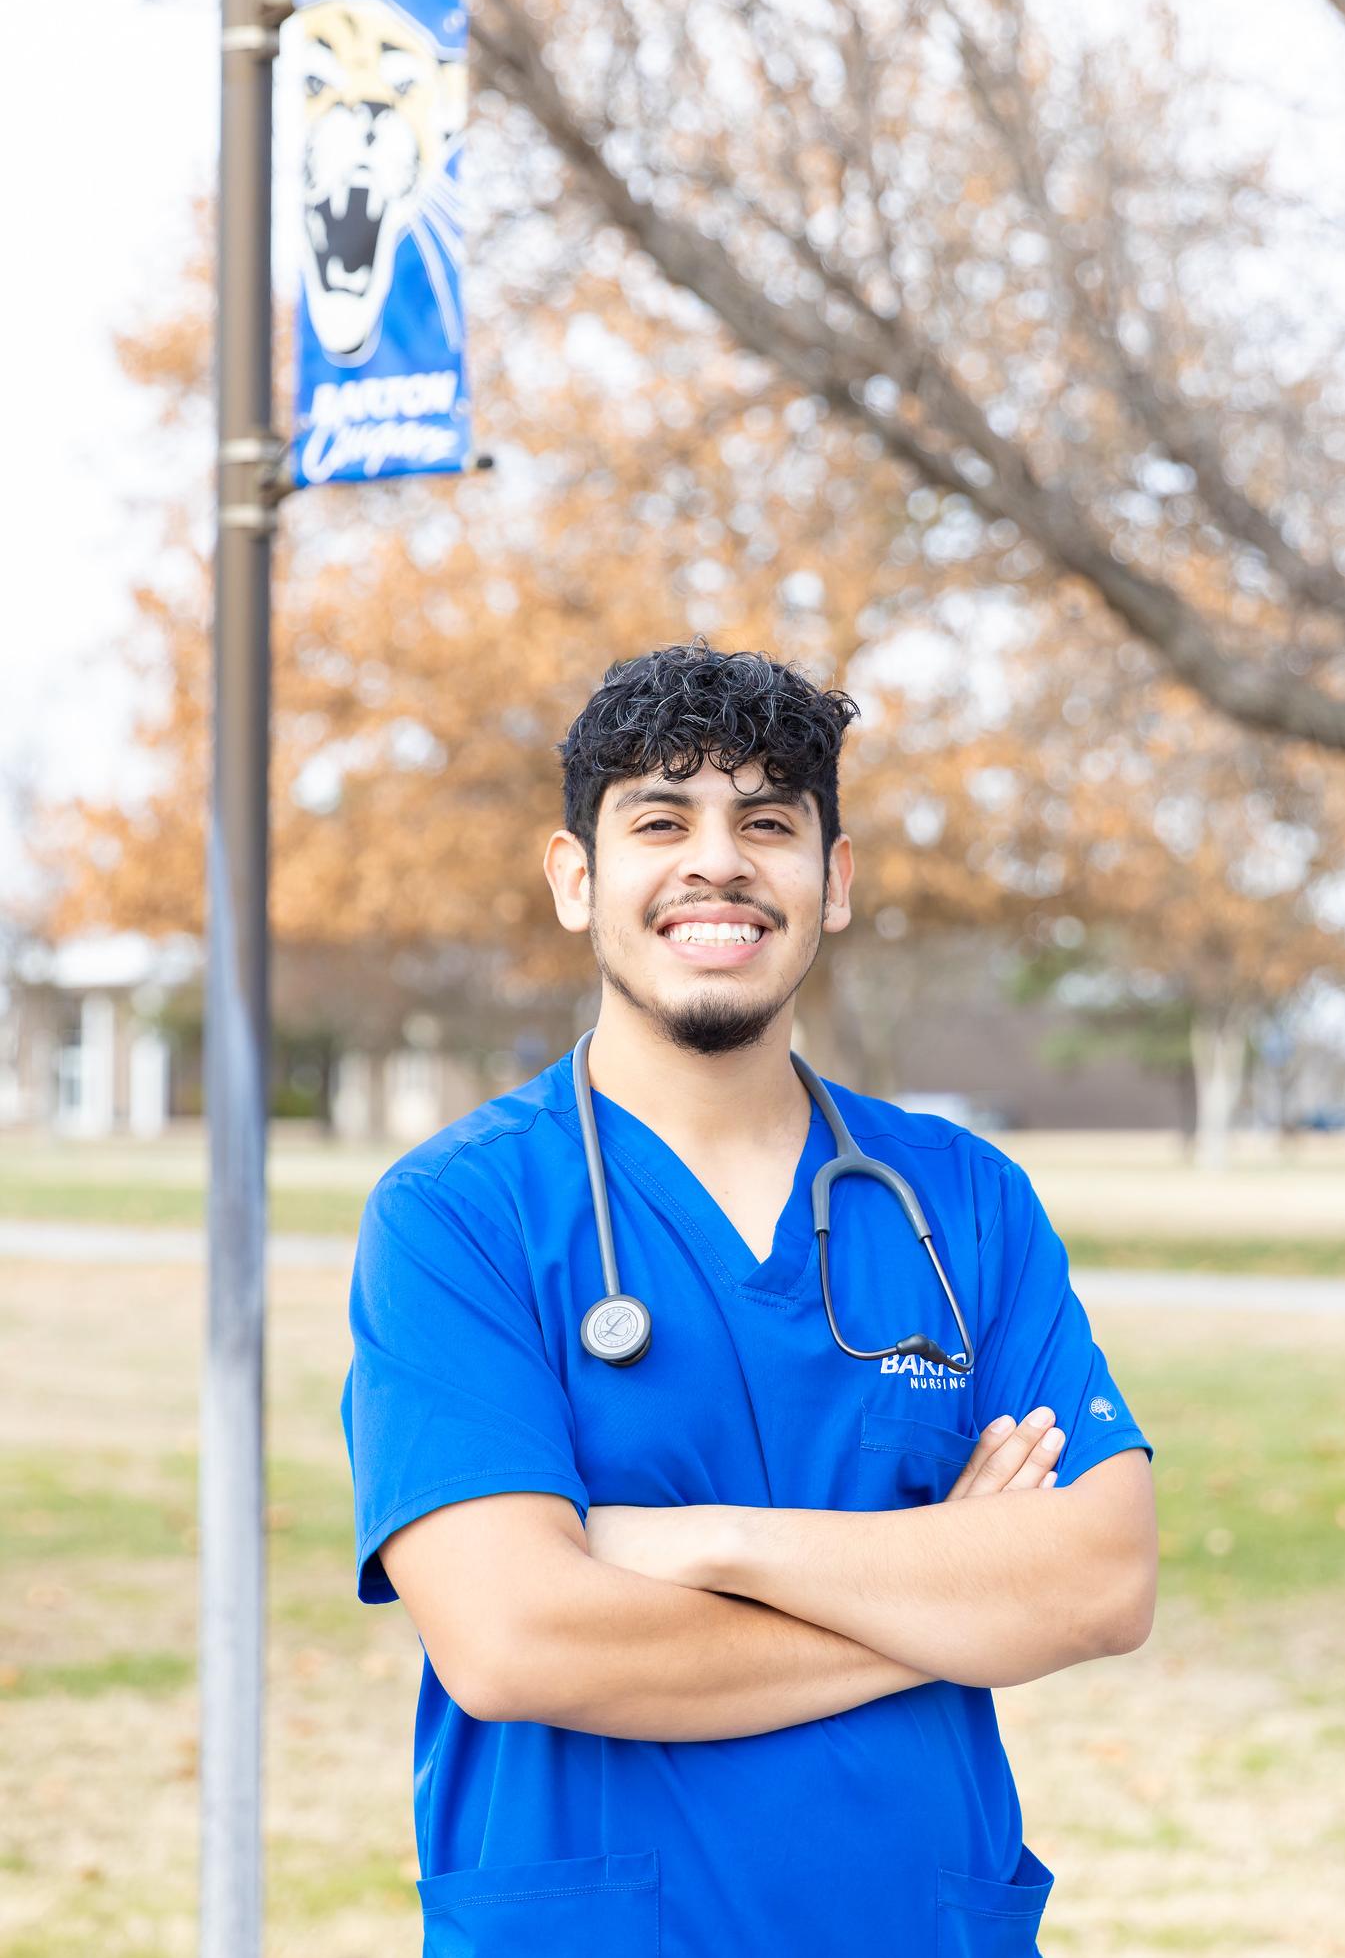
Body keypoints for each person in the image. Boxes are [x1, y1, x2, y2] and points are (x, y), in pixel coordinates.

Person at [342, 639, 1157, 1958]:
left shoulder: (962, 1202)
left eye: (766, 823)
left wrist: (704, 1543)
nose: (715, 862)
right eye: (659, 820)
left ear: (829, 881)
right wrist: (949, 1607)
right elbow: (514, 1638)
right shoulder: (460, 1215)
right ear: (576, 878)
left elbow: (1101, 1579)